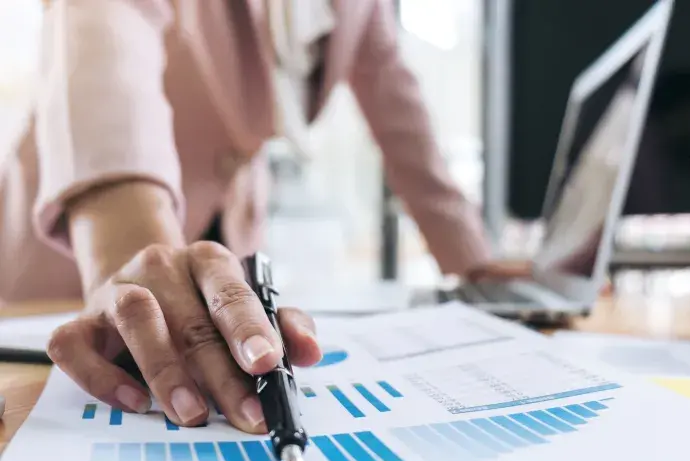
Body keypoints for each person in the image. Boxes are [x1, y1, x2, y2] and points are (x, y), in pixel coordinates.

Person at [0, 0, 526, 434]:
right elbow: (102, 46)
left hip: (221, 233)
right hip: (83, 240)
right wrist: (131, 254)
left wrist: (475, 262)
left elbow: (403, 117)